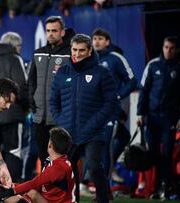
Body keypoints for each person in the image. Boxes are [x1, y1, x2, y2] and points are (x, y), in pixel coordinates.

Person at [49, 34, 119, 203]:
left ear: (89, 52)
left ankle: (104, 199)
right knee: (68, 173)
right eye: (74, 50)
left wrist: (95, 123)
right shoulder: (62, 73)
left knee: (95, 168)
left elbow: (111, 103)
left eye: (81, 50)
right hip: (68, 133)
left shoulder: (102, 72)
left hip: (93, 132)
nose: (77, 54)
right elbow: (53, 101)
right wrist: (61, 122)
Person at [137, 36, 180, 200]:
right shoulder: (152, 65)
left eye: (172, 48)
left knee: (167, 153)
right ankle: (153, 188)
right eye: (166, 47)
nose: (168, 51)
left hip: (170, 119)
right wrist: (140, 113)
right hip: (151, 118)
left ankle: (166, 187)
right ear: (162, 47)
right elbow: (144, 91)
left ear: (177, 50)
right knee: (152, 153)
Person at [0, 31, 29, 196]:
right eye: (20, 46)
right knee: (13, 151)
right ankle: (11, 187)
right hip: (12, 114)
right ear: (15, 45)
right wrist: (25, 107)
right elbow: (21, 87)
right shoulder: (16, 60)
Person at [28, 15, 75, 167]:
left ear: (62, 32)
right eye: (48, 31)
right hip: (39, 117)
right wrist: (31, 100)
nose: (50, 34)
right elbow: (31, 81)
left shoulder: (70, 54)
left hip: (60, 117)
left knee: (63, 159)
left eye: (54, 30)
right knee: (43, 157)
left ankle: (69, 190)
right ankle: (47, 190)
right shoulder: (38, 52)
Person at [92, 28, 137, 182]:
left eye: (100, 38)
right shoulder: (88, 58)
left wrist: (117, 96)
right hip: (92, 111)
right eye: (95, 39)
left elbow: (132, 81)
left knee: (106, 147)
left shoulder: (115, 58)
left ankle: (103, 185)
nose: (96, 41)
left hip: (108, 112)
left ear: (107, 41)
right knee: (100, 147)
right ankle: (91, 181)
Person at [0, 127, 75, 203]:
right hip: (49, 199)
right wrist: (12, 187)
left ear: (50, 145)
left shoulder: (57, 168)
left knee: (31, 193)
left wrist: (13, 190)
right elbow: (40, 185)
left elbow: (35, 183)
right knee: (6, 193)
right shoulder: (56, 161)